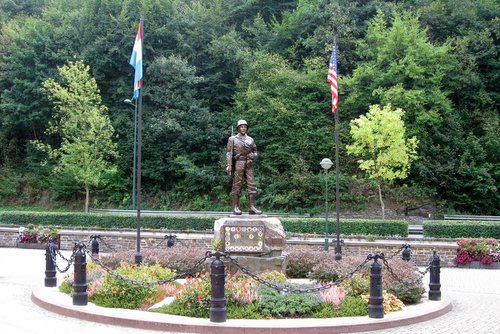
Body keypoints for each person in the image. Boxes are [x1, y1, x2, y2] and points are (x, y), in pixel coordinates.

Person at [226, 120, 262, 215]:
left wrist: (253, 156)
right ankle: (235, 207)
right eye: (241, 127)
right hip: (238, 162)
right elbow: (229, 153)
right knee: (237, 184)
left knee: (252, 184)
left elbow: (256, 152)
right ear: (238, 128)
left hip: (248, 163)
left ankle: (252, 207)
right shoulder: (232, 139)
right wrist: (229, 165)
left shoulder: (250, 139)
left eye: (245, 127)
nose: (243, 128)